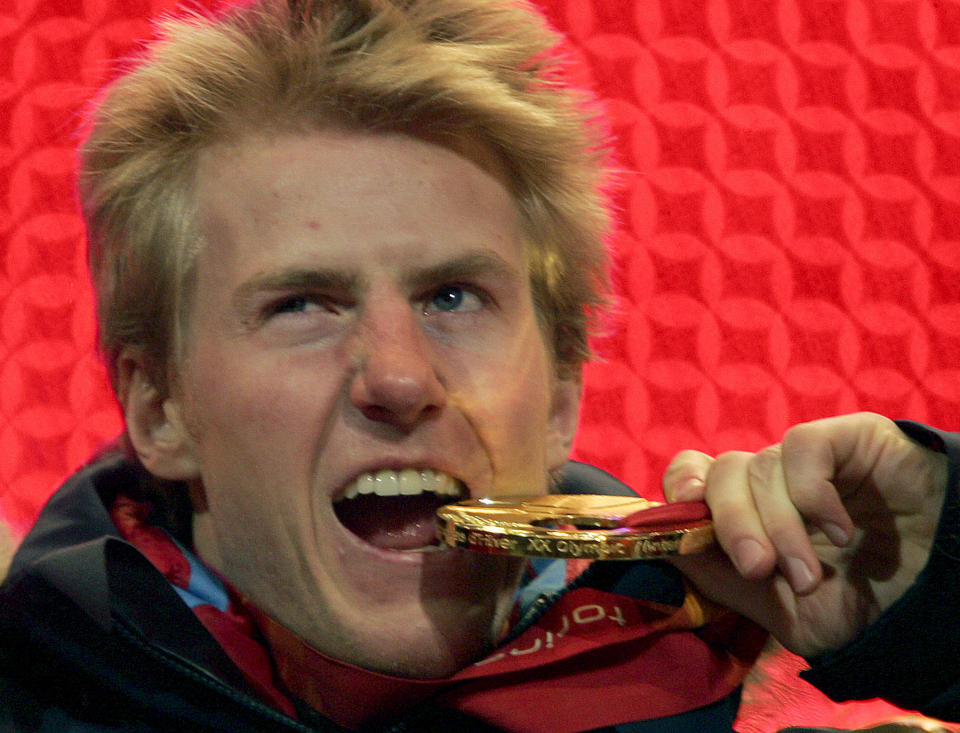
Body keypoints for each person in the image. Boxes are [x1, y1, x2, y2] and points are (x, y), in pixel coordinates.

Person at [0, 0, 955, 730]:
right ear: (159, 405)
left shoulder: (728, 696)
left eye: (452, 297)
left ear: (563, 395)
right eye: (302, 304)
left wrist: (938, 596)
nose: (400, 377)